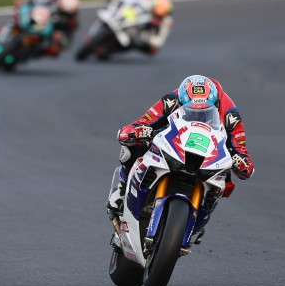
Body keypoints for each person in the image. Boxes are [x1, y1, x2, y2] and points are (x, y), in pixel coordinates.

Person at [107, 75, 255, 239]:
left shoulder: (230, 115)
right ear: (181, 101)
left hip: (210, 152)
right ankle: (122, 189)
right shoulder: (171, 100)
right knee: (133, 146)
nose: (198, 115)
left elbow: (242, 152)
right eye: (191, 108)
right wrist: (139, 131)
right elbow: (140, 123)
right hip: (175, 141)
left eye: (204, 111)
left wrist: (240, 161)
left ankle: (199, 218)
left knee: (225, 180)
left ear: (216, 104)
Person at [0, 0, 79, 57]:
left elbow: (67, 41)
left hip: (46, 35)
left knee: (53, 50)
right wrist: (24, 2)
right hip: (36, 20)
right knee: (18, 14)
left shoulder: (71, 21)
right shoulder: (51, 0)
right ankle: (6, 31)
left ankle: (30, 54)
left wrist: (60, 37)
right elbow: (32, 0)